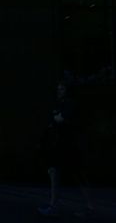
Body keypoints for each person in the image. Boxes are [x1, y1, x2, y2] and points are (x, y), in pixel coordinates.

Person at [37, 81, 94, 217]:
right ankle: (55, 204)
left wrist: (57, 117)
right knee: (54, 171)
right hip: (62, 144)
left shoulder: (69, 103)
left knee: (77, 175)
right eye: (58, 89)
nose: (59, 91)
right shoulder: (61, 104)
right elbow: (54, 120)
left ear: (67, 90)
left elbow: (60, 119)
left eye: (62, 89)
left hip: (70, 144)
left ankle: (88, 206)